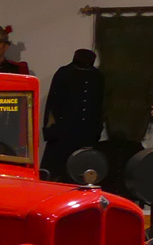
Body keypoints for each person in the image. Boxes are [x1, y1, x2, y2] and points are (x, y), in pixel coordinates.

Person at [41, 48, 105, 177]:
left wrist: (96, 132)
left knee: (83, 175)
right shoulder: (63, 73)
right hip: (62, 136)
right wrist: (51, 132)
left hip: (87, 137)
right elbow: (52, 104)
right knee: (57, 175)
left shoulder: (98, 77)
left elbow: (100, 105)